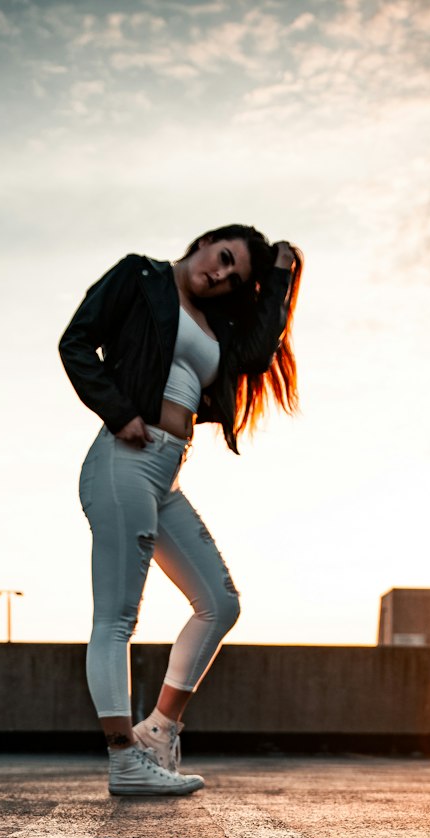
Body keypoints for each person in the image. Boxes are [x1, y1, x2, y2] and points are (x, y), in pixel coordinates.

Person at [58, 223, 302, 796]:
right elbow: (76, 342)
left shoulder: (218, 327)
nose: (219, 275)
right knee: (117, 617)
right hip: (123, 459)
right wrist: (118, 411)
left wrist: (283, 279)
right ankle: (124, 760)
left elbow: (258, 354)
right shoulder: (140, 277)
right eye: (221, 258)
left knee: (220, 603)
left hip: (165, 473)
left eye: (234, 277)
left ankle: (158, 731)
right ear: (203, 242)